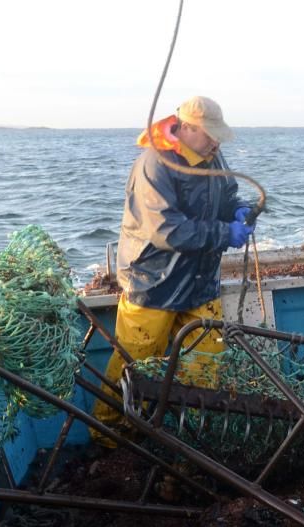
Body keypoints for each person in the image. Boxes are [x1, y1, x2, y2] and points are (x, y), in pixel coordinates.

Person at [92, 96, 253, 446]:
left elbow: (227, 193)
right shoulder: (156, 163)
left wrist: (238, 209)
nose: (216, 141)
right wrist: (226, 233)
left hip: (199, 282)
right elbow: (167, 229)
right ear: (187, 128)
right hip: (152, 283)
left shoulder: (212, 157)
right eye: (210, 134)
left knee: (205, 363)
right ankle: (107, 438)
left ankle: (190, 436)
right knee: (133, 363)